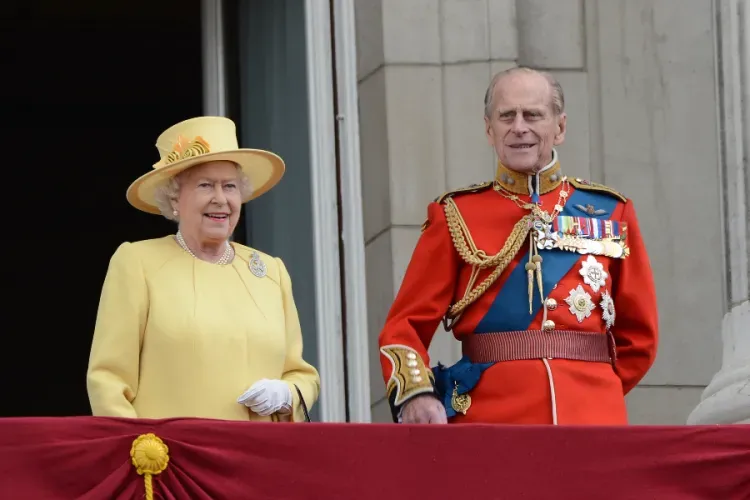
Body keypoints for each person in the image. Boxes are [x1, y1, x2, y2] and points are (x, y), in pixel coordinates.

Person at [378, 67, 658, 425]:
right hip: (489, 421)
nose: (519, 127)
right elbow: (404, 326)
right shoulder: (455, 214)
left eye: (533, 115)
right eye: (506, 115)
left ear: (559, 127)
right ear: (488, 128)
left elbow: (640, 335)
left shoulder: (611, 212)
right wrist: (416, 393)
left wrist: (597, 389)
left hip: (593, 417)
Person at [86, 116, 320, 422]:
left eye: (230, 186)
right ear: (174, 198)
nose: (220, 199)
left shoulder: (270, 272)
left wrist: (287, 394)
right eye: (205, 185)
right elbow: (108, 382)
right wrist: (141, 453)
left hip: (260, 458)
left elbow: (301, 374)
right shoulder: (137, 263)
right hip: (173, 461)